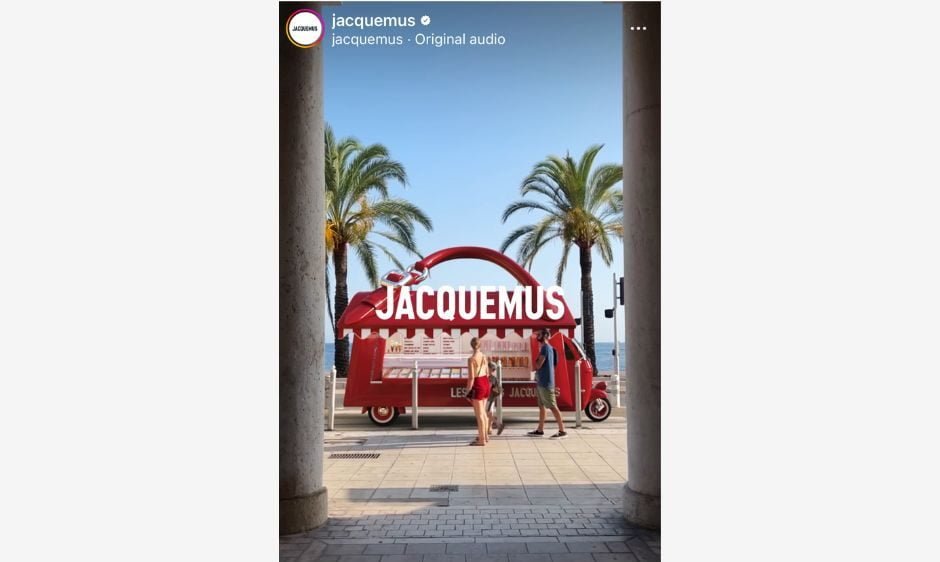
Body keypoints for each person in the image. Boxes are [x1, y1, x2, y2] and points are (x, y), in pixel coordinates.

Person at [528, 328, 566, 439]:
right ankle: (540, 430)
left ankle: (562, 430)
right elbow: (553, 364)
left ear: (544, 335)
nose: (537, 336)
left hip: (545, 382)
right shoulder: (550, 349)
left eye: (538, 334)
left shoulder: (545, 348)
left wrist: (537, 361)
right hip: (543, 381)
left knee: (553, 406)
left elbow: (539, 365)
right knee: (542, 406)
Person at [466, 337, 491, 446]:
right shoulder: (484, 357)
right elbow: (487, 372)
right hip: (485, 382)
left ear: (471, 345)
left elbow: (471, 377)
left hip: (477, 384)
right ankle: (485, 436)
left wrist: (467, 391)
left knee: (479, 414)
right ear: (480, 345)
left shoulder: (471, 359)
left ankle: (481, 440)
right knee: (484, 412)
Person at [485, 360, 505, 436]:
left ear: (490, 369)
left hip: (488, 398)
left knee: (487, 414)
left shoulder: (490, 378)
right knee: (489, 413)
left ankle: (497, 425)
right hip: (492, 398)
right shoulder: (494, 378)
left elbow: (489, 387)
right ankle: (489, 429)